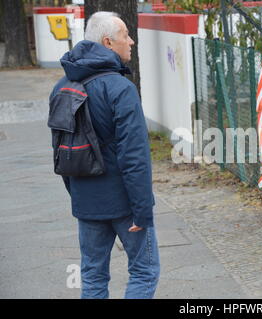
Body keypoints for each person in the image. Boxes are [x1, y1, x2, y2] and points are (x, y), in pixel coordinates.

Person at [50, 11, 160, 299]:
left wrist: (78, 196)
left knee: (93, 275)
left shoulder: (61, 87)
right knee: (144, 271)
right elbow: (134, 155)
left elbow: (59, 152)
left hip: (86, 201)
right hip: (124, 203)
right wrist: (142, 208)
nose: (132, 41)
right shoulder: (120, 88)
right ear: (108, 42)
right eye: (126, 35)